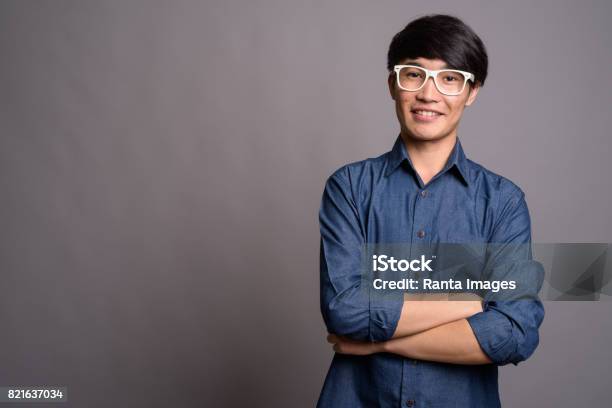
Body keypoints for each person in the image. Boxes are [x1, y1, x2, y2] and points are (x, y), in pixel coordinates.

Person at [317, 14, 545, 407]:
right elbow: (345, 311)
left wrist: (375, 344)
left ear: (471, 92)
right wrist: (467, 301)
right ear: (393, 84)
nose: (428, 94)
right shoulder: (349, 188)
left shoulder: (503, 202)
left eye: (450, 78)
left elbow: (514, 331)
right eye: (414, 75)